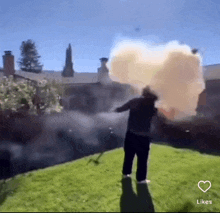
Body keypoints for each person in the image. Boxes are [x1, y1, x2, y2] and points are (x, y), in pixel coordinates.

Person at [114, 86, 158, 184]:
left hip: (130, 134)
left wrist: (113, 110)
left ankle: (126, 174)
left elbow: (121, 109)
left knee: (129, 155)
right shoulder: (153, 105)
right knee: (142, 159)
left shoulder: (134, 101)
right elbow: (156, 116)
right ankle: (141, 179)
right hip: (143, 136)